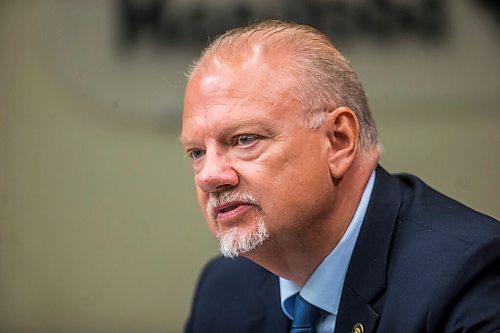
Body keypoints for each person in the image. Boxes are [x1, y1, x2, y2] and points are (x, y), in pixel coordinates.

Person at [180, 20, 500, 333]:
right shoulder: (223, 291)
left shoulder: (470, 276)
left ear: (338, 141)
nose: (209, 176)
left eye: (244, 140)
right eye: (197, 153)